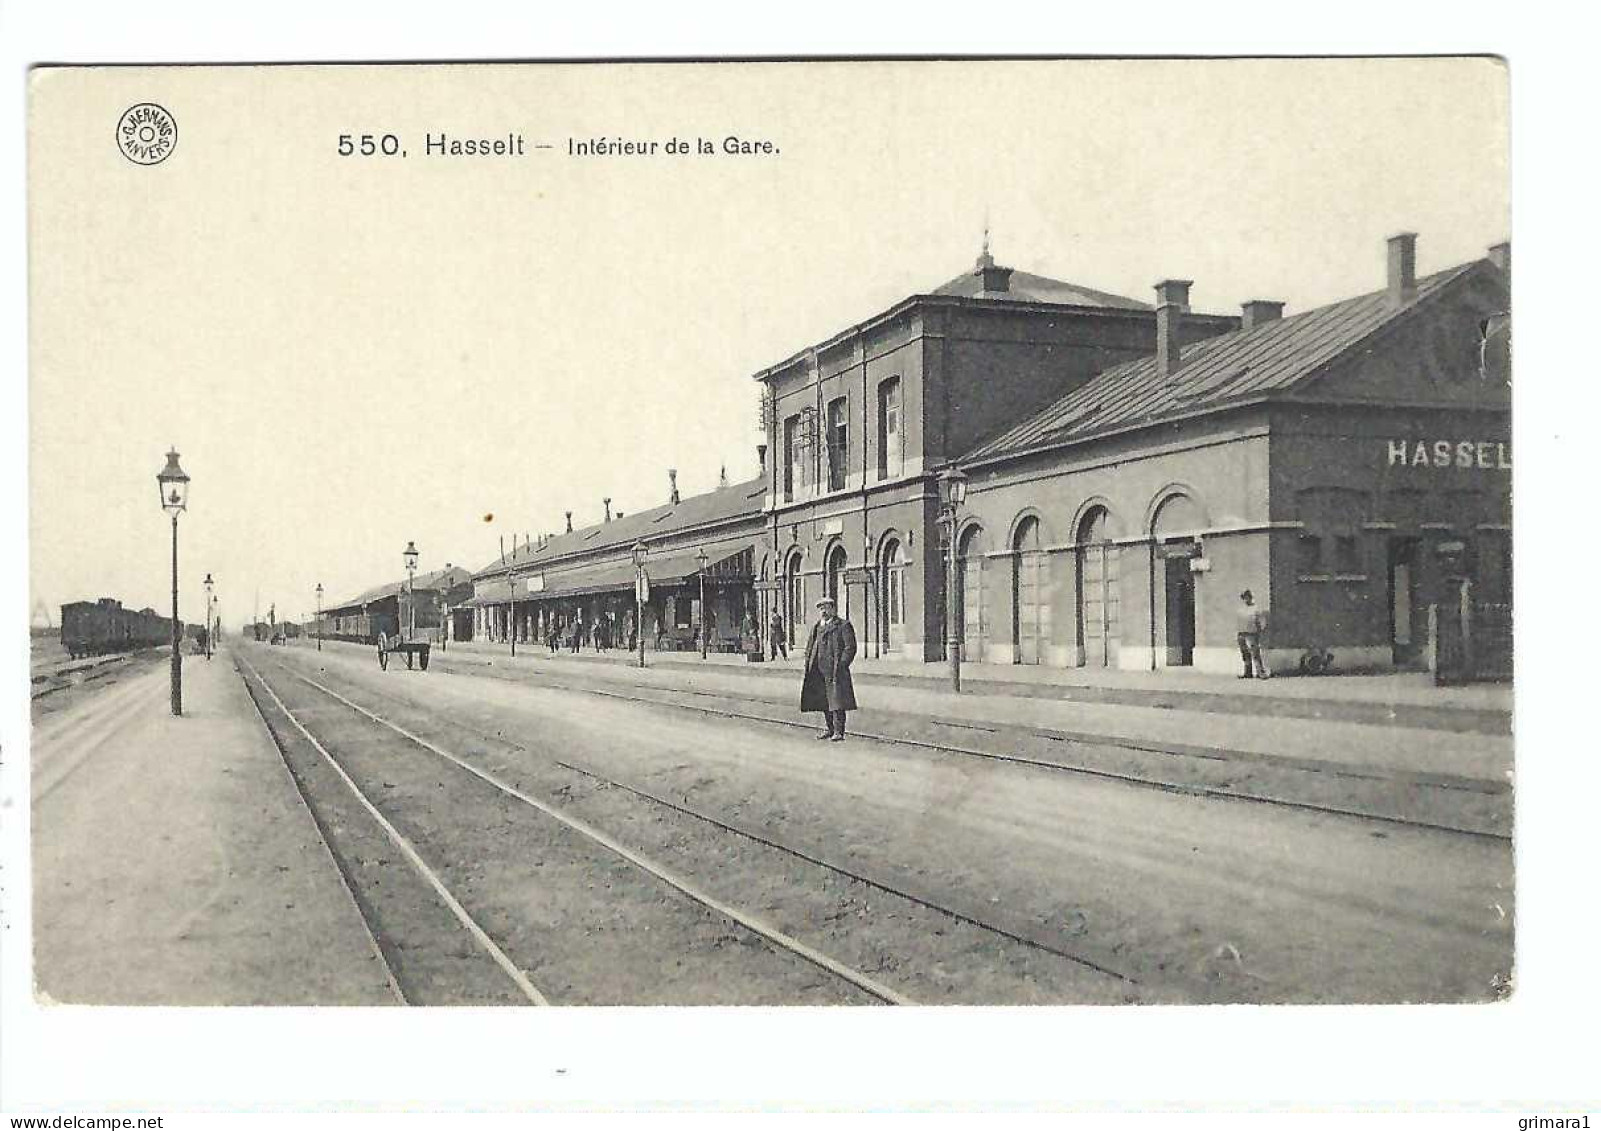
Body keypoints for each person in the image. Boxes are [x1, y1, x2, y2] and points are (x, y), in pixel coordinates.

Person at [801, 596, 858, 742]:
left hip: (835, 669)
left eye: (826, 608)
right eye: (820, 609)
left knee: (837, 701)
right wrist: (808, 661)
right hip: (818, 669)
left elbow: (850, 648)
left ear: (833, 609)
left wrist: (842, 664)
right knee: (824, 700)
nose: (823, 611)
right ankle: (829, 728)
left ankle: (839, 731)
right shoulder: (817, 627)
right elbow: (810, 646)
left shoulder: (843, 625)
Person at [1236, 589, 1270, 679]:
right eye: (1244, 598)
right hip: (1241, 633)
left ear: (1250, 598)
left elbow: (1262, 621)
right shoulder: (1240, 609)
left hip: (1251, 634)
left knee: (1255, 654)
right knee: (1245, 654)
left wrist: (1260, 630)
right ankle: (1247, 672)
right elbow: (1239, 621)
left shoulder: (1256, 609)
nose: (1245, 600)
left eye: (1247, 597)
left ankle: (1260, 672)